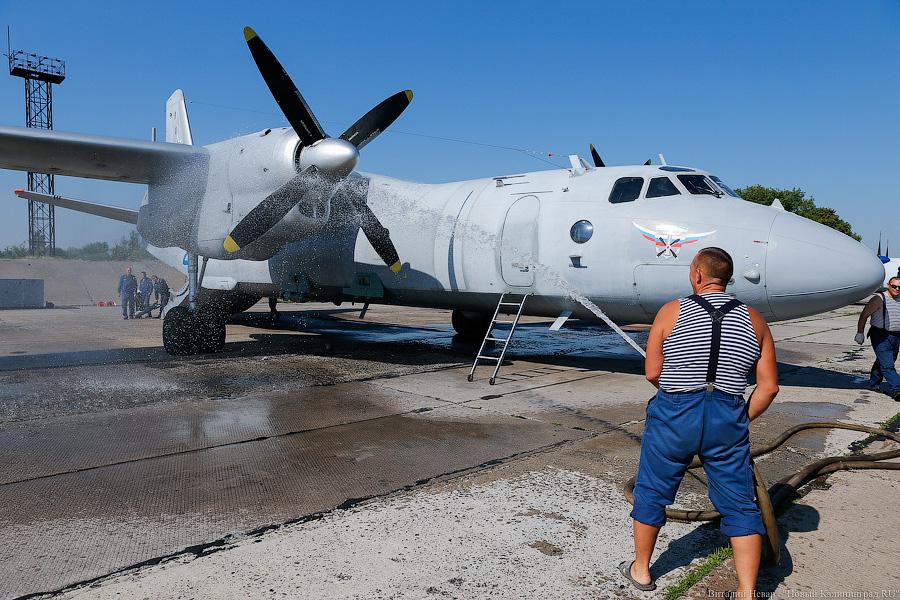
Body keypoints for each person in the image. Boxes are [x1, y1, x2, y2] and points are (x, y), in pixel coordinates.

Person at [622, 247, 779, 598]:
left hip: (675, 413)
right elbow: (768, 387)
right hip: (727, 414)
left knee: (651, 492)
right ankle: (746, 591)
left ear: (696, 275)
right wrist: (740, 417)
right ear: (727, 278)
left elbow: (652, 372)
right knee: (740, 503)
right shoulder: (755, 320)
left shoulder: (672, 311)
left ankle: (642, 571)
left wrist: (680, 398)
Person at [855, 276, 900, 400]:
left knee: (884, 361)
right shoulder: (879, 299)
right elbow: (864, 315)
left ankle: (874, 383)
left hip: (896, 336)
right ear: (888, 285)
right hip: (880, 335)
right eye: (894, 286)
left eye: (899, 287)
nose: (897, 289)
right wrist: (860, 332)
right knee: (888, 365)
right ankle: (898, 388)